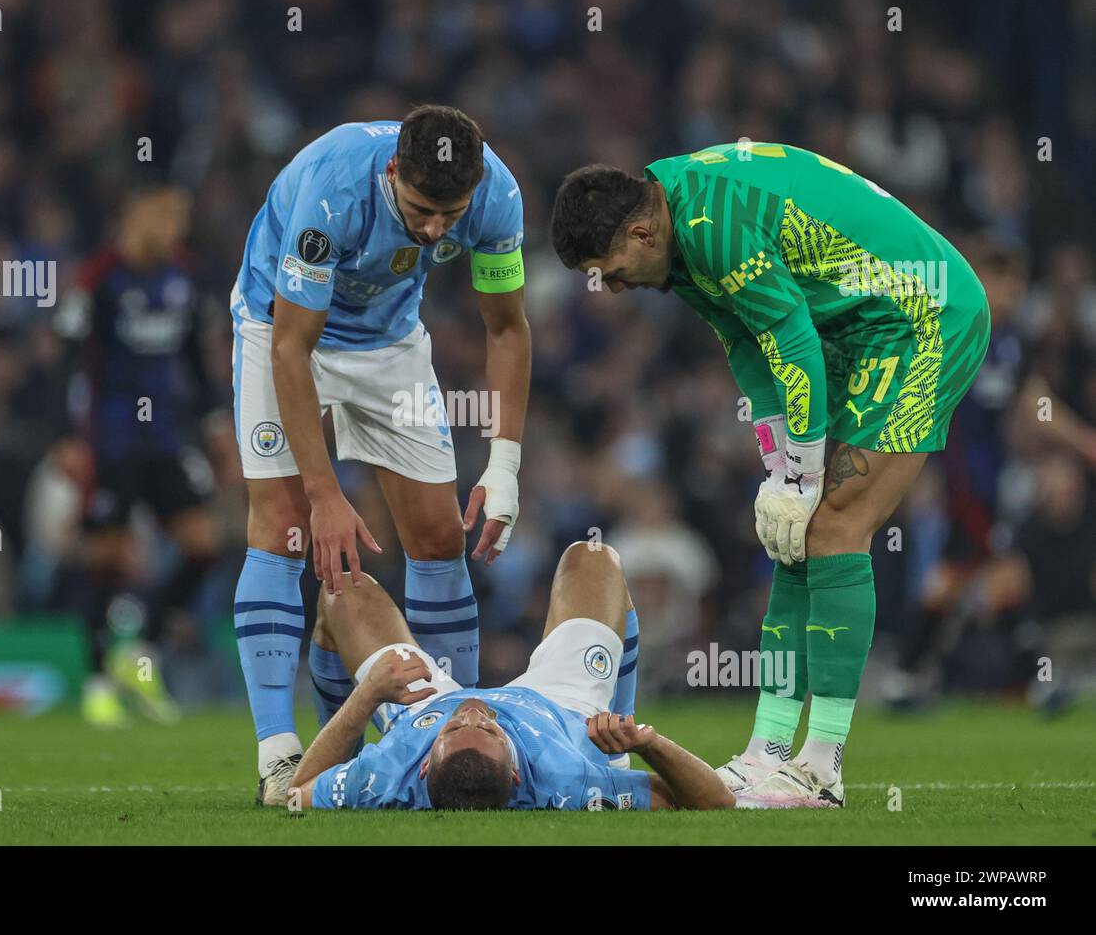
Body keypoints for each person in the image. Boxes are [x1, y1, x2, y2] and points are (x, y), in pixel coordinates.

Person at [550, 142, 992, 808]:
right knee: (793, 540)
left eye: (609, 271)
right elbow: (747, 345)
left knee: (836, 525)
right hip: (859, 328)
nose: (611, 287)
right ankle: (770, 752)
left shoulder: (712, 227)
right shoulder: (675, 226)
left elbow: (791, 344)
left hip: (922, 318)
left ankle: (822, 769)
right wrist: (780, 468)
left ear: (639, 233)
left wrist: (803, 475)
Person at [230, 105, 531, 802]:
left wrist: (505, 464)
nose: (435, 229)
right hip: (277, 329)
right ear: (393, 170)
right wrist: (324, 492)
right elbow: (290, 346)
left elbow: (508, 328)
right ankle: (280, 756)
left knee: (435, 537)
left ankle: (437, 726)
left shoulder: (497, 196)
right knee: (283, 529)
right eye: (423, 209)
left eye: (450, 214)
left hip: (390, 343)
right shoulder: (332, 185)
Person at [289, 541, 734, 812]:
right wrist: (647, 742)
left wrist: (365, 698)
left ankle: (342, 756)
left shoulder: (388, 776)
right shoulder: (568, 781)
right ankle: (616, 735)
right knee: (594, 558)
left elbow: (294, 793)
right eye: (487, 729)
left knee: (342, 590)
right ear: (518, 774)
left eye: (458, 727)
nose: (474, 712)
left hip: (421, 705)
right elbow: (715, 801)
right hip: (563, 709)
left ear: (425, 766)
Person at [56, 185, 221, 728]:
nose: (176, 226)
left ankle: (140, 650)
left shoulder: (183, 277)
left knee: (203, 545)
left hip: (166, 439)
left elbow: (196, 359)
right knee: (105, 559)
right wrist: (71, 437)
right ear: (135, 217)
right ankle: (99, 680)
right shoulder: (99, 278)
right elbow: (69, 361)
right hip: (111, 439)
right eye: (166, 215)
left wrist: (216, 422)